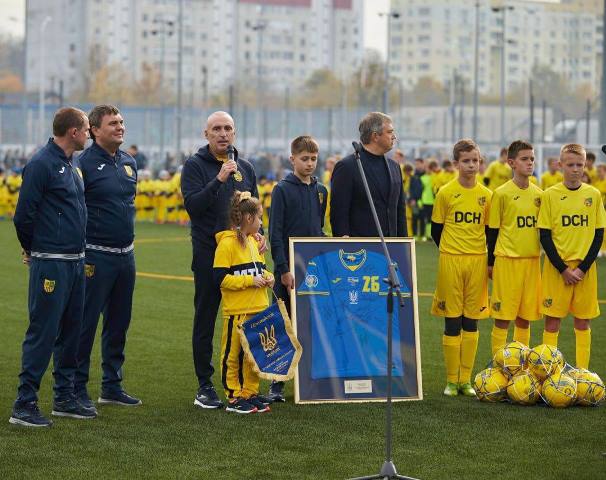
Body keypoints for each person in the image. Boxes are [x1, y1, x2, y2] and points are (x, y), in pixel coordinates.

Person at [10, 107, 95, 427]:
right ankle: (24, 403)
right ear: (73, 131)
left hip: (76, 262)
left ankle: (64, 398)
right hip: (52, 263)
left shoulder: (71, 165)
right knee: (43, 332)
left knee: (72, 332)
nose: (88, 133)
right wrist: (36, 249)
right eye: (86, 128)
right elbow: (23, 216)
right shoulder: (41, 164)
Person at [181, 111, 262, 409]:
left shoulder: (246, 167)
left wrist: (260, 232)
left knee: (247, 318)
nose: (223, 133)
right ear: (206, 135)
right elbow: (193, 206)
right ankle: (205, 385)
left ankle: (244, 387)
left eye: (228, 128)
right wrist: (218, 179)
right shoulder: (194, 166)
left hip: (243, 257)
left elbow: (252, 209)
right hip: (208, 256)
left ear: (235, 133)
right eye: (216, 129)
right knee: (206, 317)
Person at [74, 105, 140, 409]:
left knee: (119, 323)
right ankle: (75, 388)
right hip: (95, 256)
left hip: (126, 256)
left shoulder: (129, 162)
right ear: (94, 130)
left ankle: (111, 386)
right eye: (113, 123)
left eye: (122, 122)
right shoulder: (83, 163)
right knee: (84, 324)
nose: (120, 127)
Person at [266, 135, 328, 402]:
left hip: (312, 269)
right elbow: (275, 233)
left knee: (312, 323)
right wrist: (282, 268)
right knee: (283, 324)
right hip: (288, 270)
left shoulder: (321, 190)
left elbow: (317, 230)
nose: (310, 164)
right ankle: (276, 383)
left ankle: (310, 379)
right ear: (292, 159)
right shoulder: (282, 189)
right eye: (304, 159)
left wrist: (335, 242)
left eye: (314, 159)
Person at [430, 139, 492, 397]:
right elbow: (436, 230)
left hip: (477, 260)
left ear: (480, 162)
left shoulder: (487, 196)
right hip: (451, 259)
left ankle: (465, 379)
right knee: (452, 319)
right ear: (456, 164)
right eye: (466, 161)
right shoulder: (446, 192)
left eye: (475, 161)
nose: (471, 165)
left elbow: (490, 231)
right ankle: (451, 380)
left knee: (472, 320)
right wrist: (452, 250)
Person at [538, 143, 605, 369]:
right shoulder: (550, 195)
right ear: (560, 165)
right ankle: (548, 371)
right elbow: (545, 236)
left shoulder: (593, 195)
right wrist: (563, 269)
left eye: (580, 164)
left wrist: (582, 268)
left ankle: (582, 373)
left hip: (585, 271)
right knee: (552, 321)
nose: (575, 169)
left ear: (585, 165)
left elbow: (598, 235)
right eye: (570, 164)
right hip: (557, 270)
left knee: (583, 321)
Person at [213, 191, 275, 414]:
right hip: (238, 311)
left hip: (259, 309)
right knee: (233, 355)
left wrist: (269, 277)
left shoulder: (253, 243)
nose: (261, 222)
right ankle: (234, 395)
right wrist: (250, 280)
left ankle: (250, 391)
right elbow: (220, 278)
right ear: (248, 218)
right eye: (259, 218)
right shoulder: (227, 245)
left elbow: (260, 269)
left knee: (254, 355)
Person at [487, 140, 543, 355]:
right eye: (524, 159)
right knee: (502, 317)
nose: (530, 163)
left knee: (525, 317)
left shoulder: (539, 194)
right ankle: (498, 366)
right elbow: (493, 231)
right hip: (507, 261)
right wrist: (490, 263)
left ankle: (521, 367)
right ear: (511, 162)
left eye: (532, 159)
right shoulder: (501, 193)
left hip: (531, 261)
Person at [330, 112, 407, 237]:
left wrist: (404, 248)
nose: (394, 136)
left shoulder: (395, 167)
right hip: (361, 251)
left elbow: (400, 211)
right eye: (390, 132)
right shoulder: (347, 167)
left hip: (392, 250)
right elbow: (339, 213)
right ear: (375, 136)